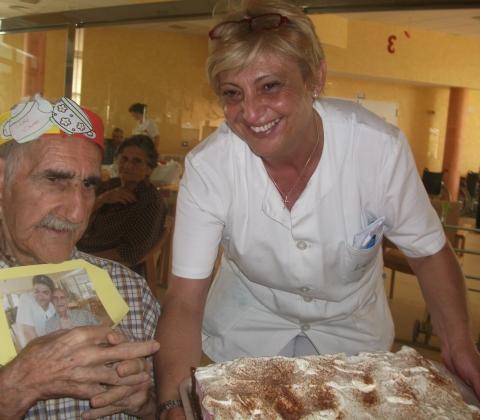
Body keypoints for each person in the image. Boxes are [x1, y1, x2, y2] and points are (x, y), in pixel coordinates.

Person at [153, 1, 480, 418]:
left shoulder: (377, 149)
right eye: (233, 93)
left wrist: (459, 345)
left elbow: (430, 254)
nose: (250, 113)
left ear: (316, 78)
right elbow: (184, 298)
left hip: (353, 340)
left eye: (270, 86)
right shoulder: (210, 167)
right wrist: (171, 402)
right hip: (245, 333)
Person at [0, 95, 160, 419]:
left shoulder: (132, 293)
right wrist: (14, 390)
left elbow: (166, 407)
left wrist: (145, 405)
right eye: (55, 180)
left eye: (89, 185)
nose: (77, 212)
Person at [78, 135, 167, 269]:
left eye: (137, 161)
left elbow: (131, 253)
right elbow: (76, 220)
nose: (127, 166)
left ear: (149, 169)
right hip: (80, 252)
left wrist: (85, 260)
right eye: (124, 159)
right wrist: (101, 200)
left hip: (108, 267)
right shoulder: (109, 186)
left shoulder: (150, 201)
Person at [15, 274, 56, 342]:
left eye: (45, 292)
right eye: (36, 291)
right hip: (35, 346)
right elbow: (28, 332)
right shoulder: (26, 298)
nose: (40, 296)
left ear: (52, 294)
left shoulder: (52, 307)